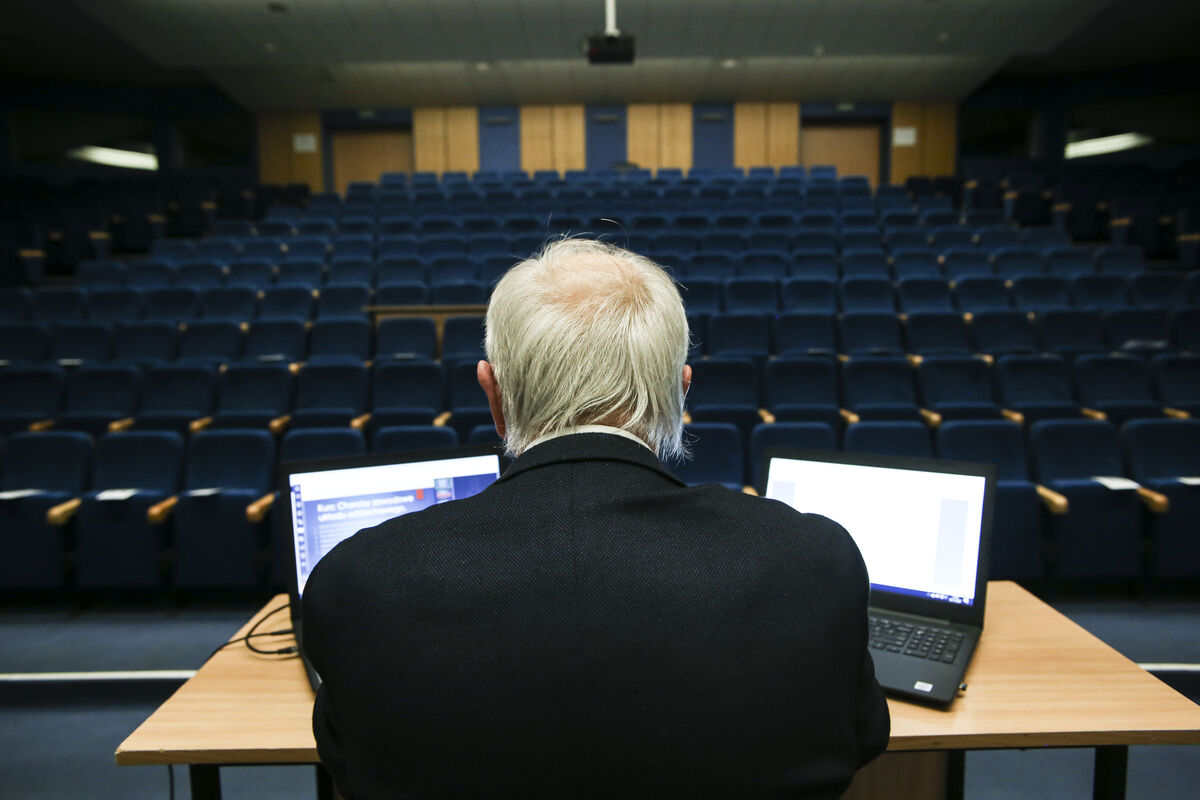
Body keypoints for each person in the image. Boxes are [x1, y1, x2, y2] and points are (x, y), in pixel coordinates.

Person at [302, 238, 890, 799]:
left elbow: (350, 760)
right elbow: (861, 738)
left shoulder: (360, 579)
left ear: (494, 395)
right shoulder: (815, 562)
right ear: (680, 395)